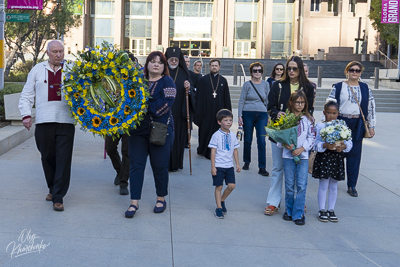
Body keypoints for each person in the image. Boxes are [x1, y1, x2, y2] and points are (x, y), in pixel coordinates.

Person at [18, 40, 75, 212]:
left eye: (61, 51)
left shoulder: (72, 70)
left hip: (66, 121)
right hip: (44, 121)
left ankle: (58, 197)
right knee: (47, 157)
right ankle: (52, 188)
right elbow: (27, 94)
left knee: (63, 159)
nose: (59, 55)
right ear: (48, 53)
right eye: (55, 52)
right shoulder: (37, 69)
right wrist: (26, 115)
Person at [125, 51, 176, 218]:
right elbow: (129, 100)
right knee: (136, 166)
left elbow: (166, 105)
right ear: (146, 64)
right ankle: (134, 202)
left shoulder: (168, 82)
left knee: (159, 166)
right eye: (152, 61)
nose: (156, 64)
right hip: (137, 130)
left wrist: (144, 107)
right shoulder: (137, 80)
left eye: (159, 62)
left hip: (159, 130)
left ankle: (161, 198)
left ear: (163, 66)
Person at [265, 56, 314, 216]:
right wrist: (277, 114)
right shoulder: (278, 85)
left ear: (300, 69)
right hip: (281, 133)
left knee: (298, 171)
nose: (291, 71)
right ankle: (273, 202)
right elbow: (270, 106)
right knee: (278, 168)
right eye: (289, 68)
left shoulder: (308, 87)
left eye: (295, 68)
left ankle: (298, 201)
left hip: (300, 137)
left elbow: (310, 110)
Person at [328, 61, 376, 197]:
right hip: (341, 122)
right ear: (347, 71)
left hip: (358, 123)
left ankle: (352, 185)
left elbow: (371, 107)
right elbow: (330, 105)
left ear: (361, 72)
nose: (354, 72)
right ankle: (332, 181)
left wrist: (371, 126)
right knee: (337, 152)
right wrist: (327, 124)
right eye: (352, 70)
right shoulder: (338, 87)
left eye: (357, 70)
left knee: (354, 155)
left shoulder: (365, 88)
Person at [313, 100, 353, 222]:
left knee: (334, 185)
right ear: (324, 113)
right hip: (325, 158)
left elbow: (349, 141)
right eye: (329, 113)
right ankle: (322, 209)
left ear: (338, 113)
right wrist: (325, 145)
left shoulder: (342, 126)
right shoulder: (321, 126)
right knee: (324, 184)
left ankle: (331, 209)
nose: (331, 115)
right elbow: (315, 144)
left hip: (336, 157)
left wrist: (344, 147)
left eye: (334, 113)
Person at [279, 91, 315, 225]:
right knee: (289, 185)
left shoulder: (308, 119)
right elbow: (279, 136)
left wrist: (302, 148)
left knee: (301, 185)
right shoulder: (286, 118)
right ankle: (289, 210)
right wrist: (285, 144)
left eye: (302, 102)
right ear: (291, 103)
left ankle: (298, 213)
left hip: (303, 156)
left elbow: (312, 137)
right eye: (297, 102)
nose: (300, 105)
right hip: (288, 156)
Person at [195, 59, 232, 159]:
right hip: (206, 112)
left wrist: (228, 113)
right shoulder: (203, 80)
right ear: (209, 67)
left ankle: (216, 151)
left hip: (219, 113)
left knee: (218, 132)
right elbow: (199, 97)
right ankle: (203, 150)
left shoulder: (223, 80)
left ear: (219, 67)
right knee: (205, 131)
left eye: (216, 65)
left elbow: (226, 98)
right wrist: (199, 112)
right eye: (212, 65)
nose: (214, 67)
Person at [238, 62, 270, 176]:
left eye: (259, 70)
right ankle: (246, 161)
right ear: (251, 72)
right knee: (247, 139)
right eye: (255, 70)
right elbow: (241, 100)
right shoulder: (247, 84)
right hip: (248, 113)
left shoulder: (266, 84)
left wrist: (269, 116)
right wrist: (239, 116)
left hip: (262, 114)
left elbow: (268, 101)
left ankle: (262, 167)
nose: (257, 72)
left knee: (261, 141)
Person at [165, 47, 194, 172]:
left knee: (177, 138)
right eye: (171, 59)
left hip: (178, 112)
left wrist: (189, 88)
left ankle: (176, 163)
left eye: (176, 59)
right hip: (163, 110)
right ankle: (163, 163)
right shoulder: (161, 71)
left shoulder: (184, 73)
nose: (173, 61)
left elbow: (192, 91)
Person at [209, 109, 241, 219]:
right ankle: (218, 208)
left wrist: (237, 164)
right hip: (219, 165)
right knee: (219, 186)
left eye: (230, 120)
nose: (228, 122)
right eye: (225, 120)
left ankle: (222, 200)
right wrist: (213, 167)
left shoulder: (233, 135)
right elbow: (213, 151)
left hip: (229, 166)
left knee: (231, 186)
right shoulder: (216, 135)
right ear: (219, 122)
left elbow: (235, 150)